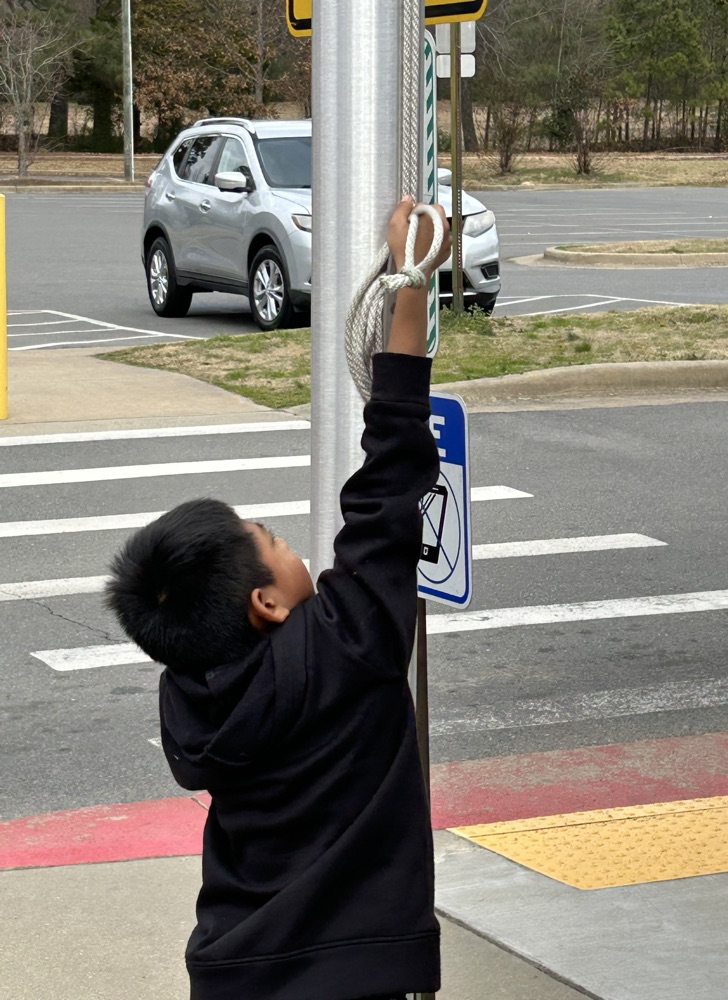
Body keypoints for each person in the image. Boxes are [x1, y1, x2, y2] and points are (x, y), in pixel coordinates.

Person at [106, 197, 452, 1000]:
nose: (290, 540)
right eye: (272, 538)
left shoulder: (191, 700)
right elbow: (392, 478)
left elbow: (382, 503)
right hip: (360, 973)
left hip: (234, 970)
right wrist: (409, 282)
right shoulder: (348, 643)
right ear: (264, 602)